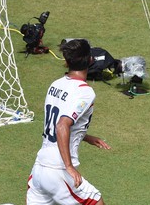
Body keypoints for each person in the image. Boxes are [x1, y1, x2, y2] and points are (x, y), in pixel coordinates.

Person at [26, 39, 111, 204]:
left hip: (39, 169)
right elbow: (61, 125)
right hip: (58, 171)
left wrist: (84, 136)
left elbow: (57, 123)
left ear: (66, 62)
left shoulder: (55, 85)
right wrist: (69, 167)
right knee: (96, 201)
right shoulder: (85, 92)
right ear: (90, 60)